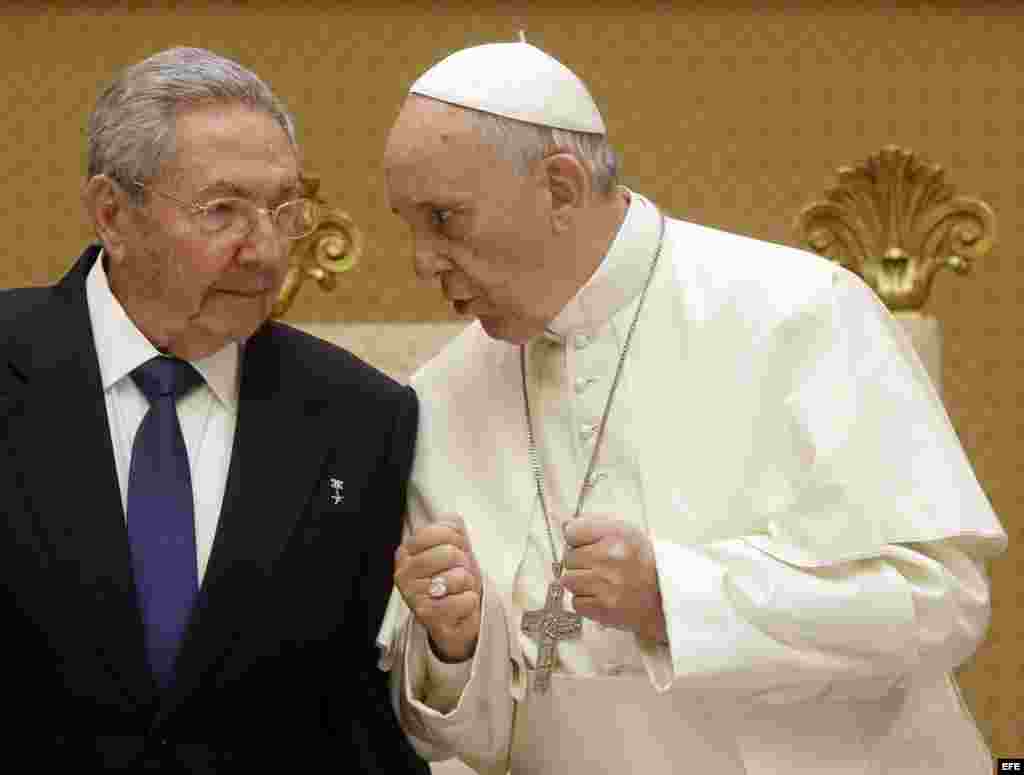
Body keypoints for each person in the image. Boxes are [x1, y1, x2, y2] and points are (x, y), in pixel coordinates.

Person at [376, 39, 1007, 774]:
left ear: (560, 187)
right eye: (409, 226)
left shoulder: (802, 313)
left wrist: (669, 600)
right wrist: (455, 645)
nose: (422, 260)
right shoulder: (440, 395)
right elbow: (487, 739)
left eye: (444, 219)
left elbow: (943, 600)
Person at [0, 47, 428, 773]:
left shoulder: (360, 418)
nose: (264, 250)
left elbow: (354, 709)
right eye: (223, 210)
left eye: (283, 209)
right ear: (112, 213)